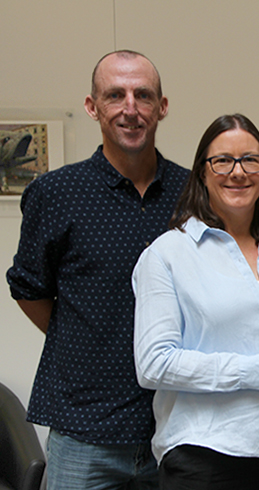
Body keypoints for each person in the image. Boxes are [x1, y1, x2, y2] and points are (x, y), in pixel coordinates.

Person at [5, 50, 189, 489]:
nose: (130, 108)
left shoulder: (191, 193)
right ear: (92, 106)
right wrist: (83, 337)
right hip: (84, 430)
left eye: (143, 95)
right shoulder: (55, 192)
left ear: (162, 106)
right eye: (115, 95)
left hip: (175, 426)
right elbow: (28, 288)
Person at [132, 113, 259, 490]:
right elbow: (153, 364)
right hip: (204, 459)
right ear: (202, 172)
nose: (238, 172)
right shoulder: (168, 254)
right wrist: (257, 371)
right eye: (222, 160)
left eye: (250, 160)